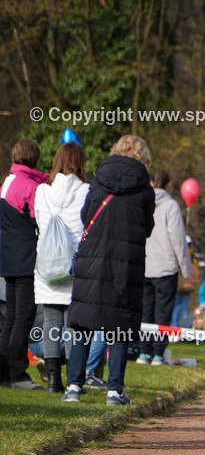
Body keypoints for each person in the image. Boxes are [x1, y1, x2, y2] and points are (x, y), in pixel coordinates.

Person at [65, 134, 157, 405]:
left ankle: (73, 386)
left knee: (83, 322)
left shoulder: (98, 180)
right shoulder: (144, 188)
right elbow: (147, 227)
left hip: (92, 257)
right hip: (126, 261)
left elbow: (86, 216)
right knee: (120, 325)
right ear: (143, 157)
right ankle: (114, 390)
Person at [33, 142, 89, 392]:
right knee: (73, 325)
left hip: (46, 263)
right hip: (74, 263)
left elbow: (38, 222)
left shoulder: (41, 191)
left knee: (50, 322)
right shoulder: (87, 191)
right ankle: (73, 379)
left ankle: (53, 379)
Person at [0, 139, 50, 389]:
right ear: (34, 159)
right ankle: (17, 373)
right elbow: (39, 222)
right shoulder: (31, 187)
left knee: (10, 316)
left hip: (7, 257)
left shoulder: (7, 181)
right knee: (24, 315)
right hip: (25, 258)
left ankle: (3, 371)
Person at [138, 170, 193, 365]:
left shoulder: (142, 202)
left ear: (151, 182)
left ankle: (144, 352)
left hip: (144, 264)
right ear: (169, 185)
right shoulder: (171, 206)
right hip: (165, 267)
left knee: (146, 312)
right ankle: (159, 353)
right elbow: (178, 239)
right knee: (163, 313)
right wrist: (186, 270)